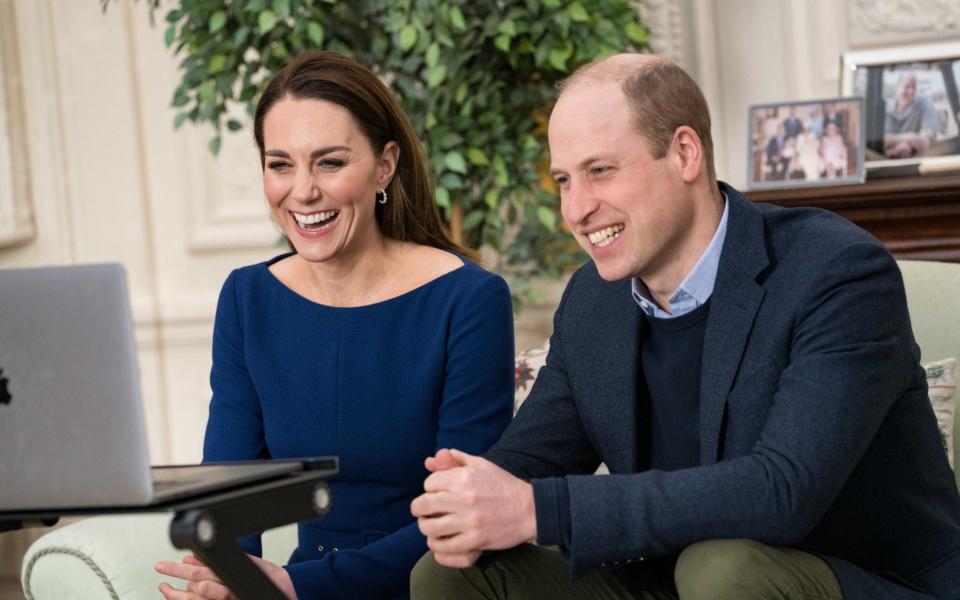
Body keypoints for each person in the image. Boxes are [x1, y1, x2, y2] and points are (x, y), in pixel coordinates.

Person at [410, 53, 960, 600]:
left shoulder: (836, 272)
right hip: (666, 581)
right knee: (449, 572)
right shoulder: (593, 300)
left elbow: (783, 493)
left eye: (599, 171)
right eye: (563, 180)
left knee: (720, 569)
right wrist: (469, 497)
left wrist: (540, 510)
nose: (575, 210)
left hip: (855, 581)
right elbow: (530, 461)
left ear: (684, 153)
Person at [155, 50, 515, 599]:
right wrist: (230, 576)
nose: (302, 192)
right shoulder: (247, 297)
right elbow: (231, 493)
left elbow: (460, 518)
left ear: (385, 165)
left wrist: (299, 587)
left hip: (434, 586)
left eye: (329, 162)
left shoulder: (469, 299)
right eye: (280, 164)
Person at [884, 71, 938, 159]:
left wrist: (908, 145)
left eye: (914, 87)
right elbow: (881, 140)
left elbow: (929, 132)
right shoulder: (885, 108)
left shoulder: (924, 102)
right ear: (898, 86)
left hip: (917, 159)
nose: (911, 91)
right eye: (907, 86)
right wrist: (909, 138)